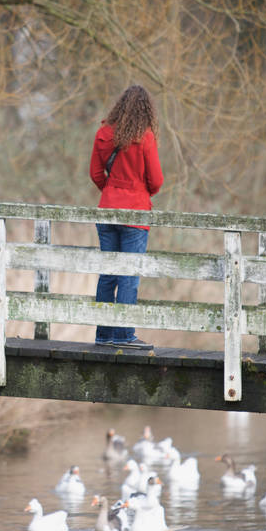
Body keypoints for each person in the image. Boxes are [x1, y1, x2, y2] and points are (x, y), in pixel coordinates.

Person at [89, 84, 164, 348]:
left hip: (107, 210)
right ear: (146, 111)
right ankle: (124, 336)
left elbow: (96, 174)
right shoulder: (144, 137)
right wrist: (140, 192)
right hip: (135, 213)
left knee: (108, 273)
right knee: (129, 275)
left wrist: (111, 192)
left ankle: (103, 335)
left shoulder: (103, 134)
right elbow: (156, 180)